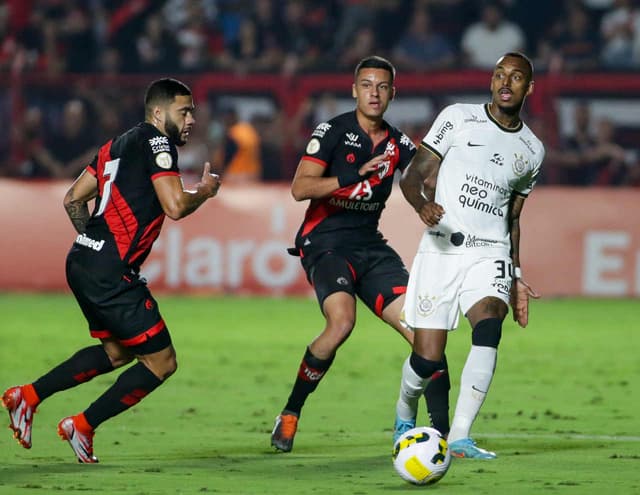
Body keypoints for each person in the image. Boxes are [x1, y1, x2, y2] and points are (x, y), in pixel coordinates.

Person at [1, 78, 221, 463]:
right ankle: (81, 425)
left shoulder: (116, 145)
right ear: (158, 112)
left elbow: (73, 199)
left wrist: (95, 245)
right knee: (162, 362)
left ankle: (28, 397)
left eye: (193, 113)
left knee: (118, 352)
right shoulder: (158, 142)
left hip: (82, 259)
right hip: (109, 269)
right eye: (184, 111)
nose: (190, 120)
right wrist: (203, 191)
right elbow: (173, 206)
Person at [270, 55, 451, 453]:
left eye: (382, 86)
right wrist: (355, 175)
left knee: (426, 335)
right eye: (367, 85)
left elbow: (422, 177)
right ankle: (291, 412)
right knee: (341, 324)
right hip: (326, 243)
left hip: (371, 247)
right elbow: (300, 188)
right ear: (354, 91)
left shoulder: (399, 142)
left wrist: (426, 202)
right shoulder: (333, 131)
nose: (374, 92)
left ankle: (444, 436)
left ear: (392, 94)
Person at [393, 52, 545, 459]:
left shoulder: (532, 149)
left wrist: (514, 274)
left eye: (516, 77)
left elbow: (513, 217)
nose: (506, 82)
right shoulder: (457, 117)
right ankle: (405, 410)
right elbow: (411, 175)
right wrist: (422, 204)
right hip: (442, 247)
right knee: (427, 358)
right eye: (500, 74)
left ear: (529, 88)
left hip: (490, 251)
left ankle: (459, 435)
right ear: (491, 81)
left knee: (490, 319)